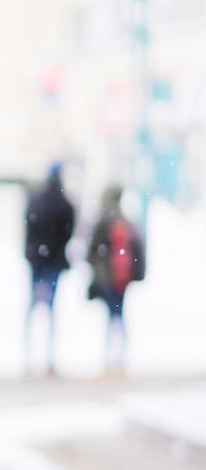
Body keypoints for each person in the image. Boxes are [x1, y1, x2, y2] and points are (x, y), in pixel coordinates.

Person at [22, 161, 76, 376]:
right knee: (51, 311)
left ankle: (27, 355)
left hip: (37, 261)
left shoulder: (36, 201)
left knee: (32, 308)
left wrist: (33, 251)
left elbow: (28, 228)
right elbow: (68, 231)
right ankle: (49, 357)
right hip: (53, 261)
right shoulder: (64, 203)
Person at [86, 184, 145, 375]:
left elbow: (93, 251)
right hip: (122, 277)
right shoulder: (125, 221)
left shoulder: (103, 222)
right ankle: (120, 356)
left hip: (108, 277)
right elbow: (137, 249)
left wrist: (98, 271)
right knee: (120, 315)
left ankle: (109, 356)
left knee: (111, 317)